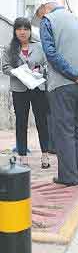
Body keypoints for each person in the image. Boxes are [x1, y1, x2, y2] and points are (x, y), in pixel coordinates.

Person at [35, 1, 78, 186]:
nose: (41, 19)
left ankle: (69, 177)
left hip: (62, 85)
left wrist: (74, 74)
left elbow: (51, 53)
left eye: (40, 15)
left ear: (45, 10)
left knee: (64, 131)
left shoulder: (48, 21)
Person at [2, 17, 50, 169]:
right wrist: (17, 72)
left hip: (37, 88)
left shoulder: (40, 47)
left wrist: (39, 70)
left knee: (41, 121)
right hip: (19, 89)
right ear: (15, 31)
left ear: (30, 31)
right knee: (21, 122)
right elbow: (4, 67)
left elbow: (46, 66)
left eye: (26, 29)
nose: (22, 32)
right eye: (19, 29)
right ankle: (22, 156)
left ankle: (45, 155)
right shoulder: (10, 49)